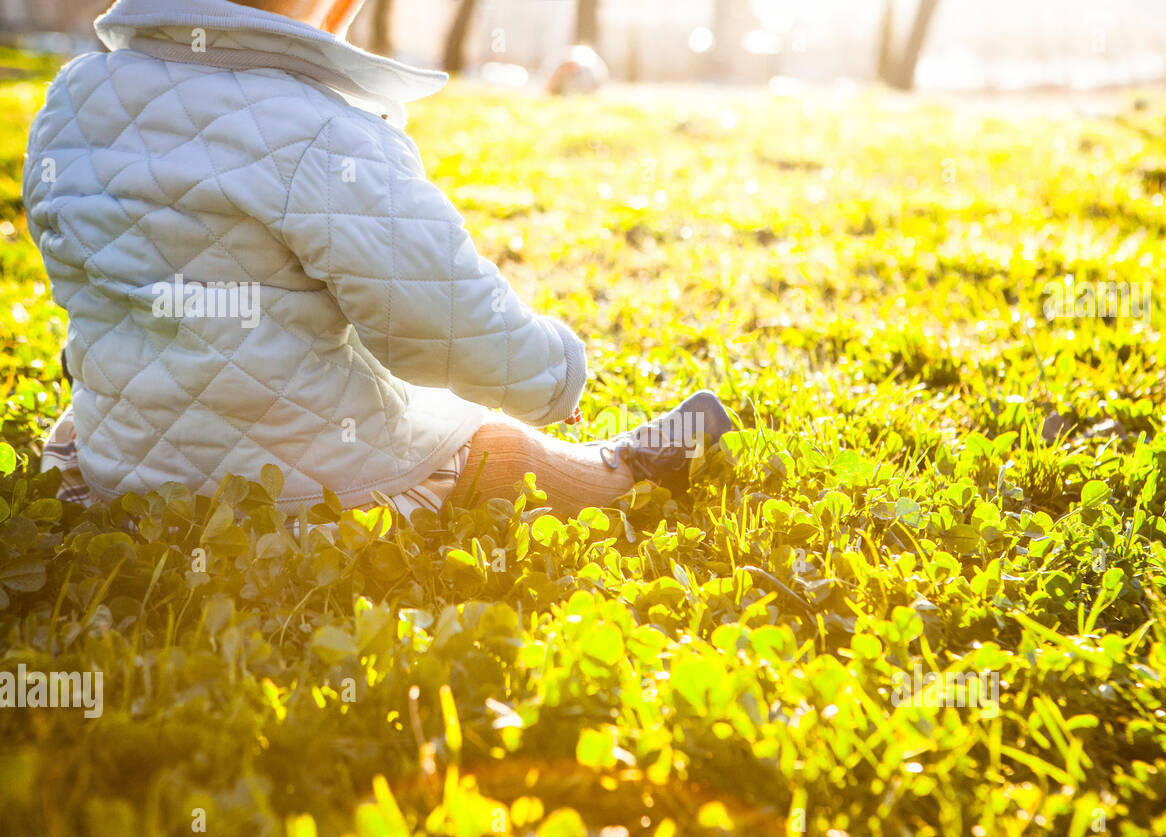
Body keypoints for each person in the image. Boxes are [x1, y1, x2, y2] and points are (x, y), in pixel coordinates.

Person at [24, 0, 734, 520]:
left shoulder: (75, 99)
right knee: (487, 444)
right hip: (305, 492)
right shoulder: (324, 131)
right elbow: (440, 318)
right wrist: (552, 374)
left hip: (121, 471)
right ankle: (623, 470)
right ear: (335, 10)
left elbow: (70, 250)